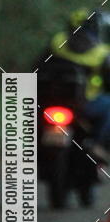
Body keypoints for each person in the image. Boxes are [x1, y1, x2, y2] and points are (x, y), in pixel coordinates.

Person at [36, 9, 110, 153]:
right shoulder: (101, 53)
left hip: (49, 100)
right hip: (83, 105)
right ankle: (97, 145)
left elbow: (37, 66)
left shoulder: (57, 42)